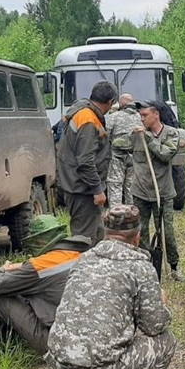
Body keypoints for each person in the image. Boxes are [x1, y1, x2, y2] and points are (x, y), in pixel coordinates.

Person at [45, 205, 176, 369]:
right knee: (166, 342)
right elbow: (155, 326)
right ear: (137, 237)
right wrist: (161, 302)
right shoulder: (139, 267)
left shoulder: (84, 258)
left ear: (106, 233)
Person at [0, 215, 91, 354]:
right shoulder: (82, 253)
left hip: (61, 345)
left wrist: (3, 269)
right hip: (90, 337)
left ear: (37, 241)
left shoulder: (40, 266)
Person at [57, 80, 117, 245]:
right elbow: (85, 161)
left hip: (81, 187)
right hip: (82, 189)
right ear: (110, 102)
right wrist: (98, 190)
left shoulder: (83, 112)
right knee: (83, 241)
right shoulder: (88, 120)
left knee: (97, 235)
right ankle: (80, 270)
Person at [130, 101, 184, 282]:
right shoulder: (136, 134)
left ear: (156, 115)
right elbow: (122, 147)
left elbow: (164, 154)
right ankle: (145, 266)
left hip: (162, 192)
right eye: (141, 115)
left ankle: (174, 267)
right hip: (140, 190)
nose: (142, 118)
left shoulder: (171, 133)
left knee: (166, 232)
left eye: (145, 115)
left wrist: (148, 138)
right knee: (141, 230)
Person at [104, 94, 141, 207]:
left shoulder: (114, 117)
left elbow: (105, 135)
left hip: (117, 157)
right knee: (131, 185)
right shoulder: (141, 117)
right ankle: (132, 214)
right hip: (135, 156)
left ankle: (116, 213)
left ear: (121, 104)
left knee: (115, 184)